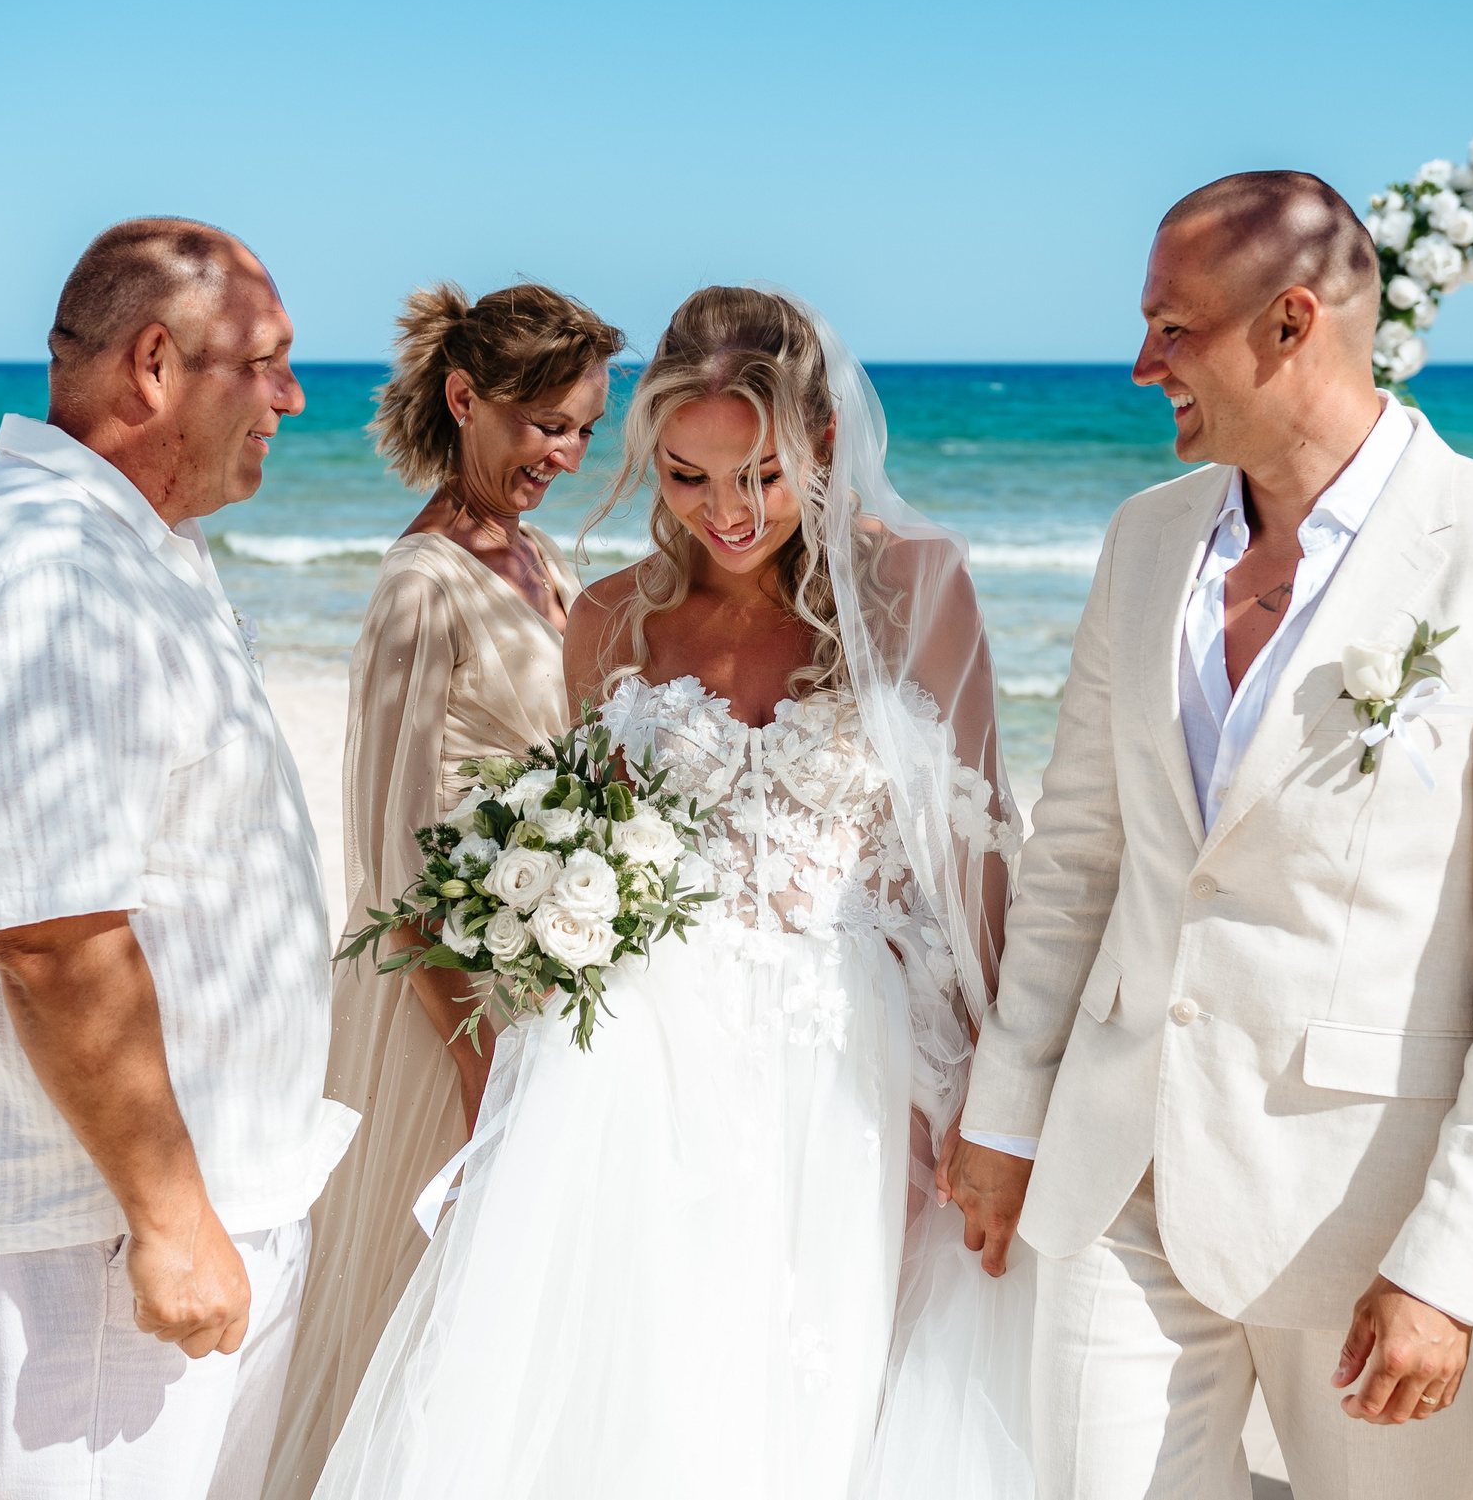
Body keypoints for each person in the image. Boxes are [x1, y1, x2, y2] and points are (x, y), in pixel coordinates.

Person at [947, 173, 1473, 1500]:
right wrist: (1007, 1108)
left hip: (1365, 1209)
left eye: (1171, 329)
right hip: (1118, 1169)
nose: (1140, 364)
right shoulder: (1144, 540)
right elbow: (1078, 855)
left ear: (1289, 323)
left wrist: (1450, 1262)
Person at [312, 286, 1036, 1498]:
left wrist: (998, 1091)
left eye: (760, 474)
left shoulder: (918, 586)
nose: (726, 512)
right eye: (688, 476)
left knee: (828, 1399)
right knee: (632, 1404)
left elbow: (978, 852)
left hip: (857, 1070)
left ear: (821, 441)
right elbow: (592, 851)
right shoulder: (608, 620)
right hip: (634, 1077)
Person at [0, 218, 358, 1498]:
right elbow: (57, 936)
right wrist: (169, 1216)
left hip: (180, 1187)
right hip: (98, 1218)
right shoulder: (52, 581)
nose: (292, 398)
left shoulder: (123, 546)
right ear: (154, 366)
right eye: (264, 361)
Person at [260, 281, 624, 1497]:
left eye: (583, 428)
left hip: (534, 986)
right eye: (544, 423)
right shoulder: (421, 581)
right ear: (465, 398)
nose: (565, 454)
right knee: (415, 1308)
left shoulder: (534, 554)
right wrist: (477, 1067)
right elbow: (389, 861)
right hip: (442, 1012)